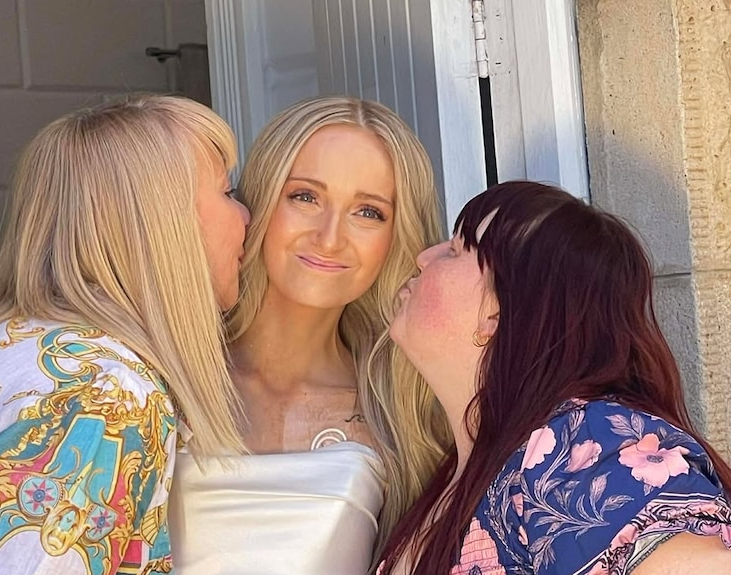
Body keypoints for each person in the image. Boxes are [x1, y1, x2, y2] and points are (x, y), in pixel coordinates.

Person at [0, 94, 250, 575]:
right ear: (164, 224)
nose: (246, 219)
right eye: (227, 192)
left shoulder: (1, 345)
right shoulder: (104, 399)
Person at [377, 180, 731, 574]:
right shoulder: (462, 474)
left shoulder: (579, 446)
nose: (424, 256)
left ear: (494, 314)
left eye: (456, 249)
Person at [167, 96, 450, 574]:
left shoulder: (408, 414)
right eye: (305, 197)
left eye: (368, 212)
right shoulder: (163, 376)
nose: (329, 237)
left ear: (395, 239)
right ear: (258, 202)